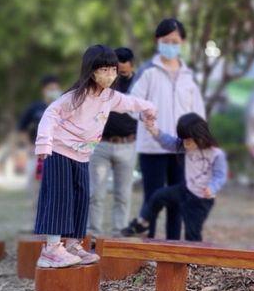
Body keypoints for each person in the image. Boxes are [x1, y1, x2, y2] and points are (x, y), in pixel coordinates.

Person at [33, 45, 156, 268]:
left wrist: (148, 108)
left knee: (82, 199)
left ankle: (72, 245)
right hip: (59, 151)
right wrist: (44, 142)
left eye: (113, 69)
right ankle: (51, 249)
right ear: (91, 71)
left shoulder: (109, 97)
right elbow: (51, 113)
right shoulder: (76, 96)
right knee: (62, 198)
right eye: (104, 70)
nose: (109, 75)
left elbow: (130, 103)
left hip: (82, 155)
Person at [129, 18, 206, 239]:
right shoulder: (148, 71)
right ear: (157, 41)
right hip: (152, 147)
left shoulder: (189, 76)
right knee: (152, 199)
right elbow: (132, 104)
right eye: (166, 40)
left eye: (175, 41)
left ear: (182, 42)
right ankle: (150, 248)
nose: (170, 45)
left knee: (178, 200)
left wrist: (198, 139)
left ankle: (172, 250)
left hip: (182, 148)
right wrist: (146, 114)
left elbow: (198, 111)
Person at [121, 113, 227, 242]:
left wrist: (212, 187)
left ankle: (195, 260)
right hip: (185, 190)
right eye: (183, 140)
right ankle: (142, 223)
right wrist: (154, 131)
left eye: (188, 141)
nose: (185, 144)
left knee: (192, 232)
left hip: (201, 200)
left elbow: (220, 175)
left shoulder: (216, 154)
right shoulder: (185, 145)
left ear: (200, 137)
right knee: (159, 196)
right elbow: (169, 142)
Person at [87, 47, 140, 237]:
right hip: (100, 145)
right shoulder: (103, 82)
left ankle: (119, 235)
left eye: (124, 71)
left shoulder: (139, 84)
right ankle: (92, 234)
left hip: (128, 145)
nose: (120, 75)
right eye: (117, 70)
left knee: (123, 195)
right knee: (96, 194)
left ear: (132, 66)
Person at [18, 74, 62, 221]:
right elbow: (22, 128)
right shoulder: (35, 107)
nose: (53, 91)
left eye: (56, 88)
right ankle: (35, 222)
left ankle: (54, 222)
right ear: (43, 90)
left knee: (57, 189)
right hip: (37, 155)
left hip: (59, 153)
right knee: (35, 189)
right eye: (50, 89)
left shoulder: (64, 105)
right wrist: (29, 145)